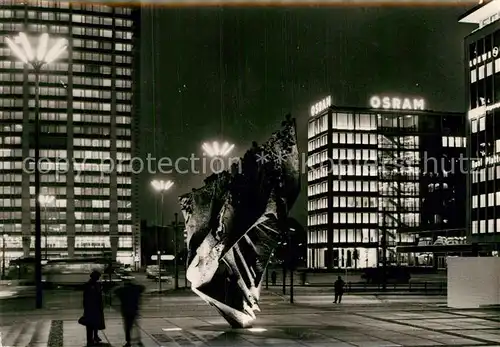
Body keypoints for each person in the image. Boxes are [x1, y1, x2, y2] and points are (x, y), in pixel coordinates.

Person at [115, 278, 145, 347]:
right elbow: (142, 287)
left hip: (126, 311)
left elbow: (116, 291)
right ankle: (138, 340)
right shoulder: (135, 290)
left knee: (127, 327)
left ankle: (128, 341)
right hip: (134, 310)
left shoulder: (123, 291)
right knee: (135, 325)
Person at [82, 270, 105, 346]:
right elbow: (87, 298)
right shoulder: (89, 285)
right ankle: (90, 339)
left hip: (95, 307)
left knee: (95, 323)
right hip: (91, 307)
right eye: (98, 277)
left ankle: (94, 336)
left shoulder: (96, 284)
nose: (98, 278)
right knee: (90, 324)